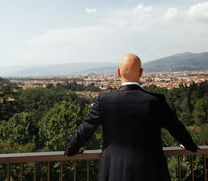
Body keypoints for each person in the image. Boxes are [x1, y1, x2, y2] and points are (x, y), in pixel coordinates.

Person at [65, 53, 199, 181]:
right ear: (141, 73)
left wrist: (72, 149)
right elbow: (176, 127)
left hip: (114, 171)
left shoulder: (104, 100)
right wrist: (190, 145)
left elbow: (86, 129)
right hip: (151, 171)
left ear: (118, 73)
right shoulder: (156, 101)